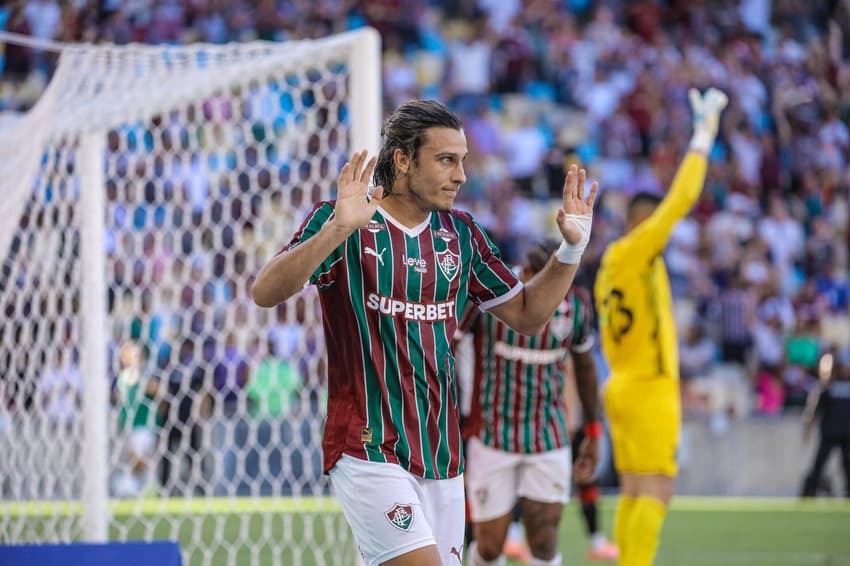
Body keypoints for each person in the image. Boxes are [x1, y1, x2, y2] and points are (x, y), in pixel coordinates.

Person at [251, 99, 598, 566]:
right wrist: (337, 230)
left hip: (441, 453)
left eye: (463, 161)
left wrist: (570, 251)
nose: (461, 176)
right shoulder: (346, 220)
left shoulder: (462, 235)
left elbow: (528, 315)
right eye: (446, 160)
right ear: (403, 160)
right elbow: (265, 292)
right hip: (368, 446)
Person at [593, 87, 728, 566]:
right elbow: (682, 199)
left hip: (621, 383)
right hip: (648, 388)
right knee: (657, 489)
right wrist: (703, 135)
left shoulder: (610, 264)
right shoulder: (637, 249)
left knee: (634, 488)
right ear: (641, 221)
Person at [458, 239, 616, 566]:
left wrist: (592, 430)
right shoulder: (491, 296)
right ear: (528, 273)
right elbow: (448, 345)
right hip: (492, 435)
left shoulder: (575, 306)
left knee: (544, 541)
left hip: (547, 436)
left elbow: (586, 368)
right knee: (489, 545)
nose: (554, 292)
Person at [800, 349, 850, 498]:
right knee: (820, 463)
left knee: (847, 464)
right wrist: (808, 430)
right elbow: (816, 410)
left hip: (846, 433)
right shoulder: (828, 387)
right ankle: (810, 491)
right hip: (830, 432)